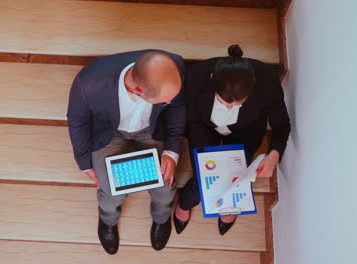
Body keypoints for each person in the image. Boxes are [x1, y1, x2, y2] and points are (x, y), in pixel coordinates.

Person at [67, 50, 186, 254]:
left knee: (166, 187)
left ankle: (161, 218)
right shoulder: (87, 83)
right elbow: (77, 122)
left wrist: (171, 152)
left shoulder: (173, 67)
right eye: (164, 101)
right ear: (139, 91)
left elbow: (177, 108)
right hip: (108, 132)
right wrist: (84, 163)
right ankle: (108, 220)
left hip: (151, 129)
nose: (170, 102)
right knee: (111, 191)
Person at [173, 45, 291, 236]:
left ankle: (225, 204)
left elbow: (281, 124)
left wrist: (274, 154)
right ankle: (186, 201)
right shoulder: (197, 77)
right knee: (204, 175)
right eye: (224, 101)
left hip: (245, 132)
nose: (229, 108)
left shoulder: (267, 80)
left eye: (237, 103)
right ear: (212, 80)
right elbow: (193, 118)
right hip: (204, 126)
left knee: (235, 176)